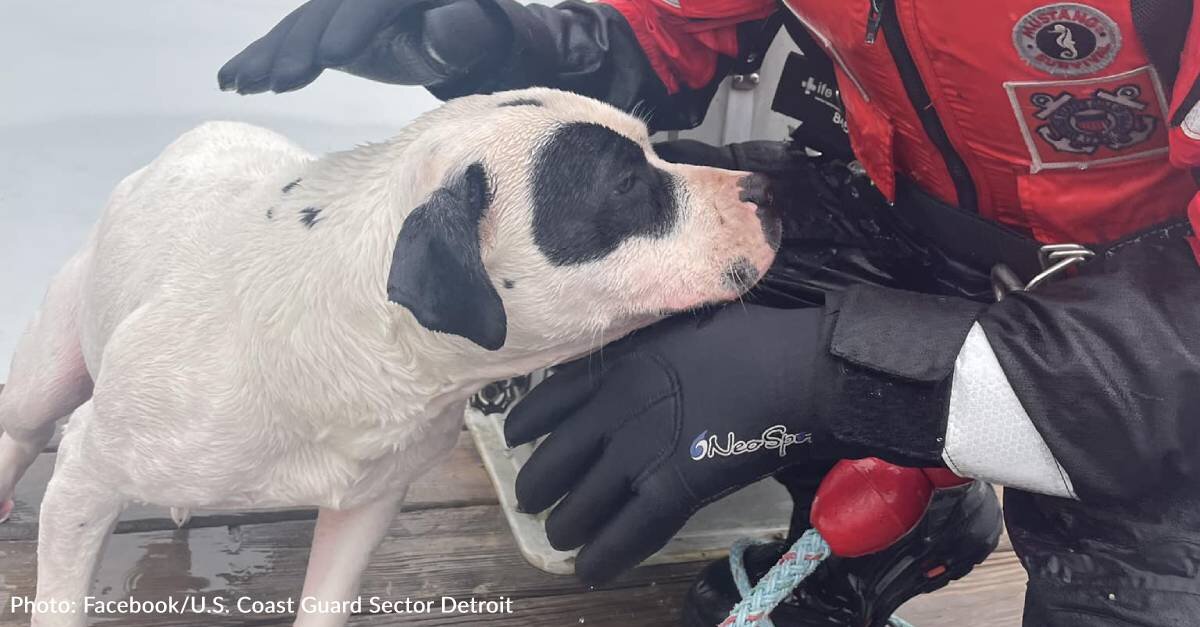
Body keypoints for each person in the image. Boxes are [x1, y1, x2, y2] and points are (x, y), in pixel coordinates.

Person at [219, 0, 1200, 624]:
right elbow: (675, 33)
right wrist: (503, 40)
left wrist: (835, 369)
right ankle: (902, 531)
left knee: (1148, 584)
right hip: (926, 227)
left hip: (1161, 313)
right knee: (672, 247)